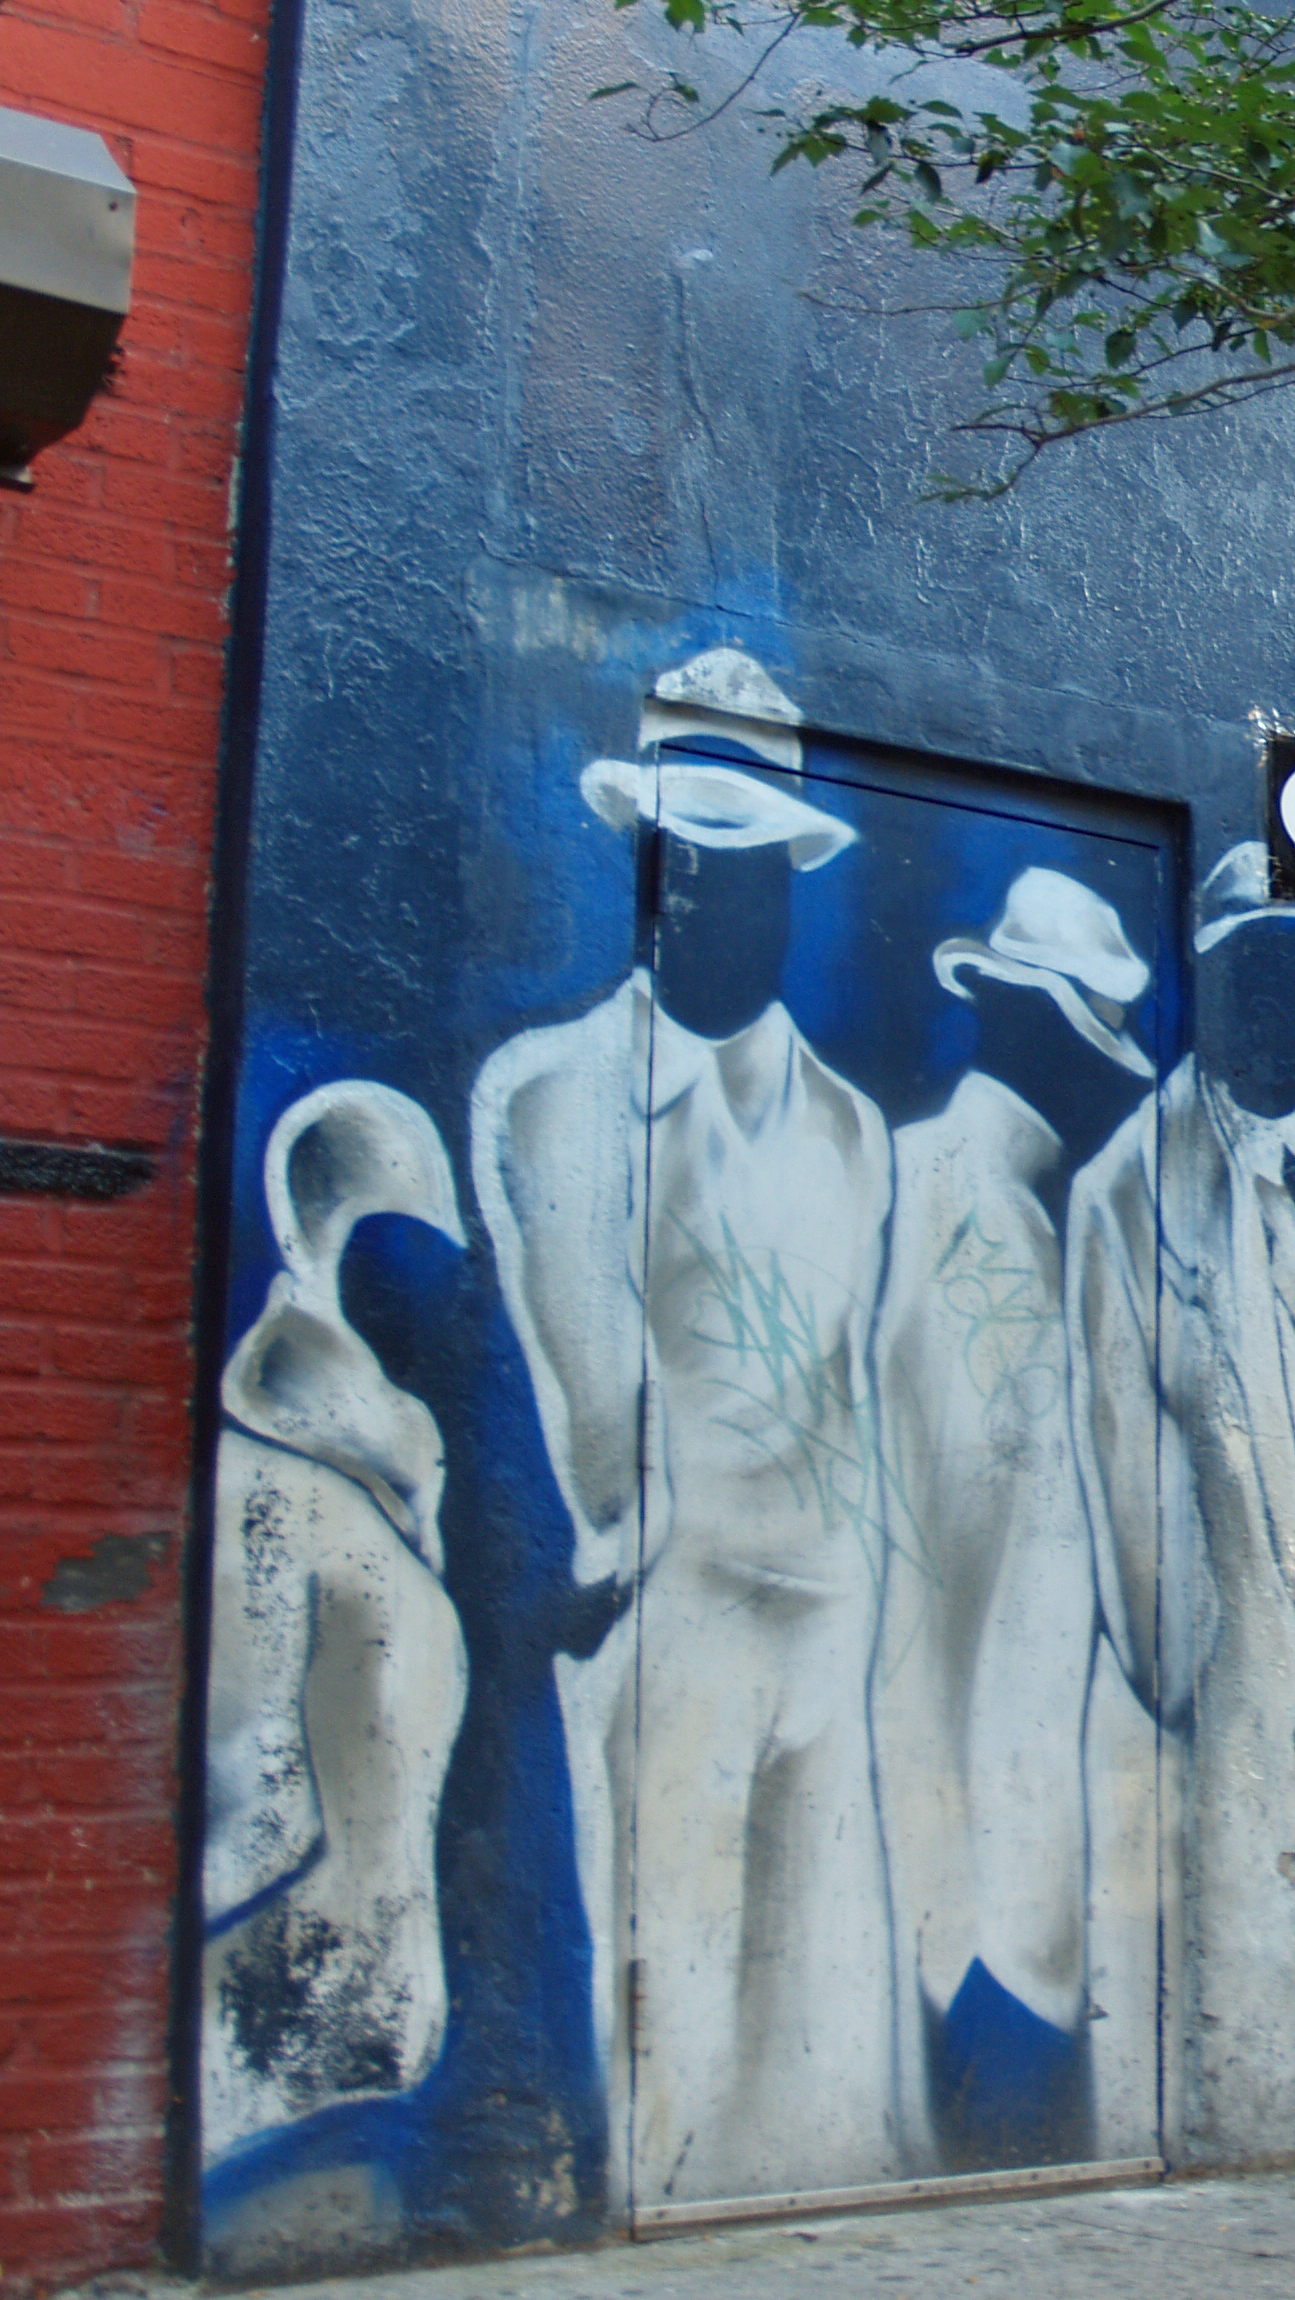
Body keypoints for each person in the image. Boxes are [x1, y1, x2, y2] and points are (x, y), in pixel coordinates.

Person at [469, 648, 901, 2205]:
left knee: (827, 2039)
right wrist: (651, 1561)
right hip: (673, 1614)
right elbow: (593, 1384)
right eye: (692, 867)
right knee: (676, 2010)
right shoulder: (558, 1094)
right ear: (653, 885)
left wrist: (851, 1575)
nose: (724, 901)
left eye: (756, 867)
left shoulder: (850, 1129)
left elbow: (846, 1370)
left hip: (831, 1615)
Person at [1064, 841, 1295, 2161]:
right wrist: (1195, 1669)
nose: (1289, 1006)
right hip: (1224, 1691)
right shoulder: (1125, 1194)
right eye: (1258, 973)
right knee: (1239, 2019)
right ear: (1213, 986)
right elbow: (1121, 1459)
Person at [873, 867, 1153, 2166]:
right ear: (1035, 1023)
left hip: (987, 1874)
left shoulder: (993, 1199)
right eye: (1094, 1045)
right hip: (973, 1892)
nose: (1111, 1084)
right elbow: (967, 1573)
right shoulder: (969, 1218)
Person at [201, 1082, 471, 2166]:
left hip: (342, 2001)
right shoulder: (294, 1505)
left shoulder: (344, 1503)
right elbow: (256, 1821)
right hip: (300, 2011)